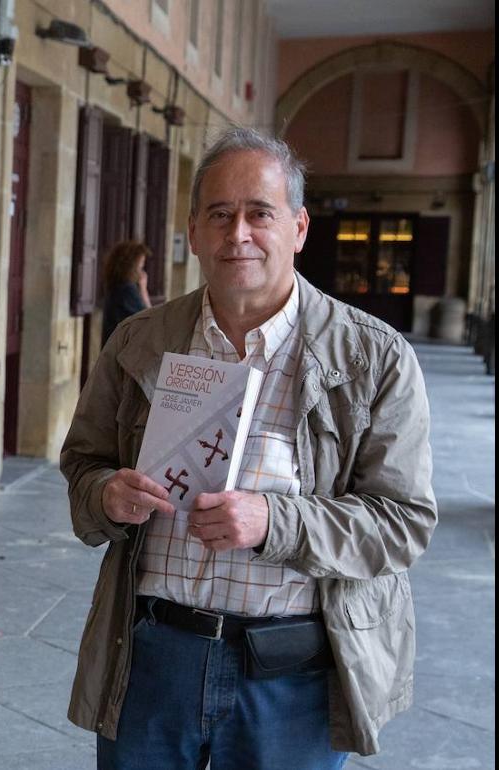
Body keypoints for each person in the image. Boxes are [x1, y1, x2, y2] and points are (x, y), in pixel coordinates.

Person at [60, 126, 436, 768]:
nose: (238, 234)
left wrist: (273, 520)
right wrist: (107, 495)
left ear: (298, 228)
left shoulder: (374, 357)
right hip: (152, 657)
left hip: (293, 672)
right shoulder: (139, 341)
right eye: (220, 215)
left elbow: (402, 524)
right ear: (194, 232)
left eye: (259, 214)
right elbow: (83, 464)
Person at [100, 240, 153, 344]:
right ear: (131, 266)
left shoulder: (115, 286)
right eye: (140, 266)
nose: (142, 272)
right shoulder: (127, 291)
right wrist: (143, 290)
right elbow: (149, 321)